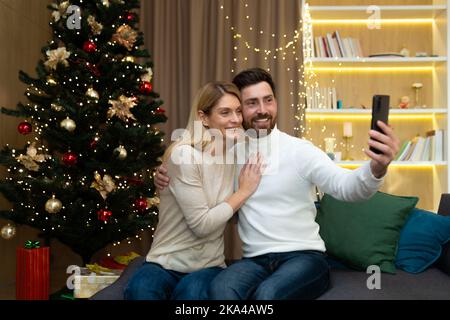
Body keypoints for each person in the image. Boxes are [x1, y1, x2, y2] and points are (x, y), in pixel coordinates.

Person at [154, 68, 400, 300]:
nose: (262, 110)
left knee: (267, 295)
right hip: (254, 260)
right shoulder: (231, 153)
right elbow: (203, 187)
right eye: (251, 103)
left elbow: (348, 188)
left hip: (304, 256)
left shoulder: (299, 151)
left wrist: (377, 167)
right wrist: (165, 176)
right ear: (240, 110)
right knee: (221, 289)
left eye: (268, 100)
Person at [124, 81, 263, 300]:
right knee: (141, 291)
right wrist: (243, 192)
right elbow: (202, 226)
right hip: (165, 262)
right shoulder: (185, 156)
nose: (236, 119)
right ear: (203, 117)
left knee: (193, 294)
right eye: (225, 112)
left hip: (209, 265)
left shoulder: (239, 153)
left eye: (238, 111)